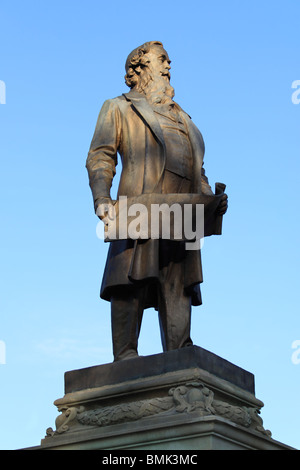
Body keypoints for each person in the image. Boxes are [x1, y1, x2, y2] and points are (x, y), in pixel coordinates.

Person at [86, 41, 228, 361]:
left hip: (184, 213)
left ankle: (180, 354)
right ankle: (125, 356)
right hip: (140, 207)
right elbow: (101, 156)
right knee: (130, 276)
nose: (168, 66)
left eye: (168, 61)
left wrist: (209, 199)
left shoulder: (185, 118)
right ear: (139, 67)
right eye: (162, 59)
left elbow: (197, 168)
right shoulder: (119, 107)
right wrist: (102, 197)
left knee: (180, 283)